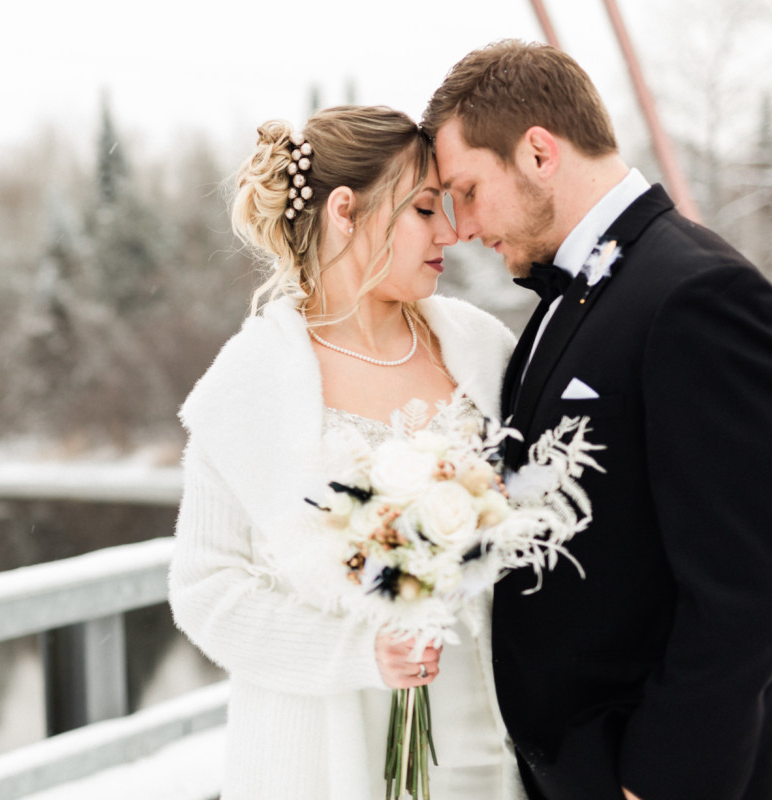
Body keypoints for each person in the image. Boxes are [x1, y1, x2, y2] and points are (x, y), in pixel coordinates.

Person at [422, 40, 772, 800]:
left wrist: (663, 778)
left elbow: (745, 583)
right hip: (572, 767)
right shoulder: (573, 293)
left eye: (468, 189)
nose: (462, 225)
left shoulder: (696, 294)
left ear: (539, 153)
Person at [168, 105, 524, 799]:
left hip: (489, 740)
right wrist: (359, 654)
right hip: (325, 754)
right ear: (344, 210)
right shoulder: (249, 384)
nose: (450, 231)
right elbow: (206, 589)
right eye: (425, 209)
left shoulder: (483, 350)